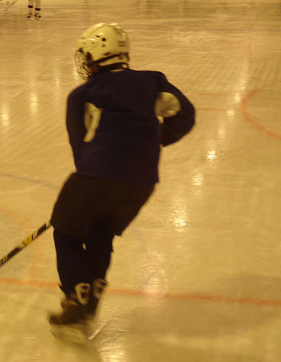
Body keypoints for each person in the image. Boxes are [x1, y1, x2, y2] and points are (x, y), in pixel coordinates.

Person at [47, 22, 195, 344]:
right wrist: (151, 141)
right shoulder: (152, 81)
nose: (85, 63)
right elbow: (186, 115)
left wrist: (91, 172)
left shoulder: (82, 94)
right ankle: (91, 302)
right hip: (141, 183)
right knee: (102, 233)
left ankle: (75, 299)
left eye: (87, 56)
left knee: (67, 231)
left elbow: (80, 144)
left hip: (95, 177)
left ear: (96, 57)